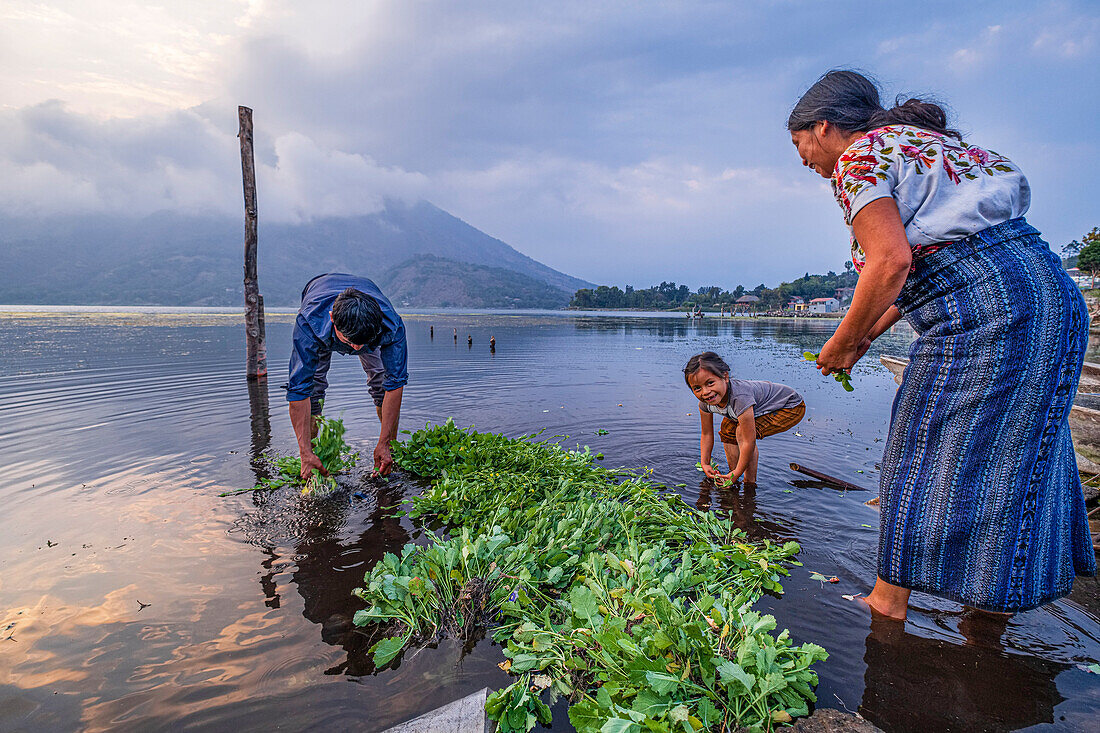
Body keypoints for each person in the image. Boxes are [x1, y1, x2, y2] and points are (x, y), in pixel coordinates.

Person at [788, 70, 1094, 619]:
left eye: (800, 144)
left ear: (823, 126)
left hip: (987, 312)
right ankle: (994, 605)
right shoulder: (936, 146)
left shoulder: (859, 157)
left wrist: (838, 344)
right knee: (1023, 453)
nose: (804, 159)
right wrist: (864, 340)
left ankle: (888, 602)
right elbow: (919, 276)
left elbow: (891, 263)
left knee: (919, 446)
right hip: (1049, 298)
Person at [286, 273, 408, 477]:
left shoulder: (391, 325)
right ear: (333, 318)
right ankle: (311, 457)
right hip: (320, 317)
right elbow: (298, 391)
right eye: (351, 342)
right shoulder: (309, 324)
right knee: (313, 389)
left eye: (363, 343)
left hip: (367, 317)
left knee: (380, 382)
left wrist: (384, 442)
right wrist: (304, 452)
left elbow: (395, 383)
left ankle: (389, 451)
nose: (358, 348)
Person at [684, 352, 805, 485]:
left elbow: (748, 441)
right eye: (697, 388)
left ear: (725, 377)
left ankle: (749, 483)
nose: (705, 392)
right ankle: (732, 478)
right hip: (761, 408)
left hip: (790, 407)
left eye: (710, 383)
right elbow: (706, 434)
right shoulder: (704, 404)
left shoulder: (740, 398)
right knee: (727, 429)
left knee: (742, 432)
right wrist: (705, 463)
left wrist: (738, 473)